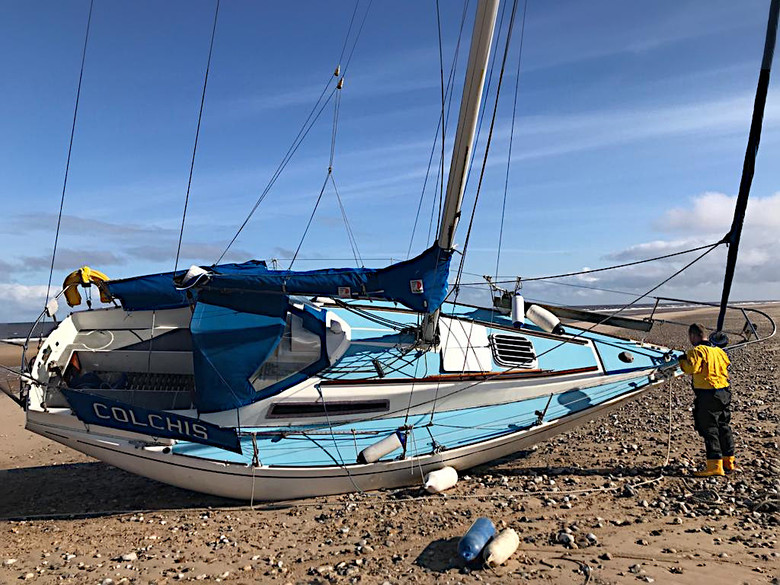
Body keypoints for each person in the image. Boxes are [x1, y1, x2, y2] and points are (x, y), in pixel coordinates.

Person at [678, 323, 735, 477]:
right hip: (724, 392)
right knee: (723, 425)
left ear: (693, 336)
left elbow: (692, 369)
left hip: (708, 393)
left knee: (709, 428)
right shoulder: (719, 351)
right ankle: (728, 460)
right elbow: (726, 365)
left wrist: (682, 360)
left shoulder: (697, 351)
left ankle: (715, 465)